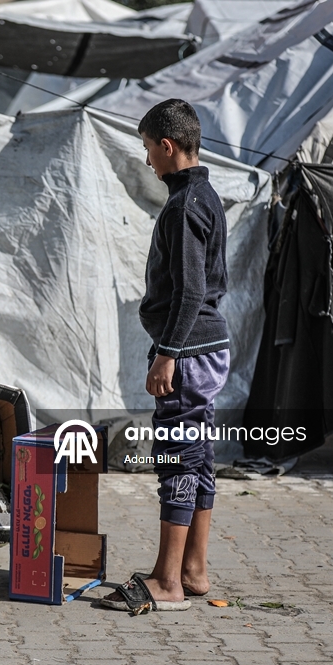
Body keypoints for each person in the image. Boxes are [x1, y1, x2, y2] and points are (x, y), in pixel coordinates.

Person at [101, 99, 231, 615]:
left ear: (168, 145)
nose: (149, 160)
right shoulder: (206, 195)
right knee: (197, 457)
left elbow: (191, 290)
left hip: (190, 350)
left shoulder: (183, 206)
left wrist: (167, 353)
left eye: (149, 149)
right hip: (206, 347)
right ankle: (193, 571)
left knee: (179, 456)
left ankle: (167, 580)